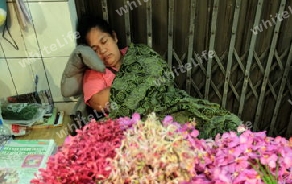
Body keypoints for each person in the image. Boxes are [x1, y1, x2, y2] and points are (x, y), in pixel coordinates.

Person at [76, 15, 241, 139]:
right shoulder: (93, 74)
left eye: (104, 41)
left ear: (114, 37)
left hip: (171, 104)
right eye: (95, 49)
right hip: (136, 126)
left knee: (223, 122)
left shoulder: (139, 53)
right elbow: (101, 104)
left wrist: (134, 85)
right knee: (177, 139)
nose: (103, 51)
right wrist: (139, 85)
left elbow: (161, 74)